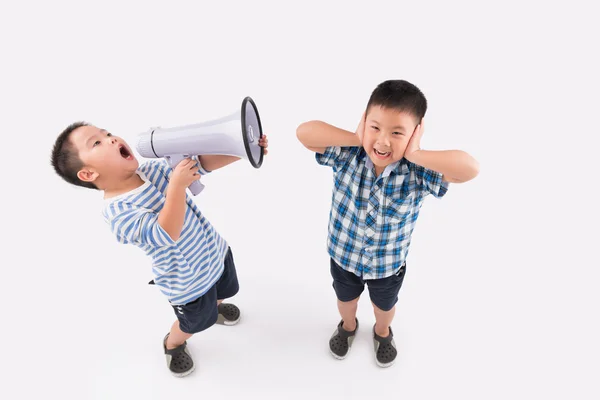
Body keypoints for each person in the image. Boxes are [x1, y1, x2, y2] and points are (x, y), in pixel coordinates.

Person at [50, 122, 268, 377]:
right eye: (96, 143)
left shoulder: (153, 170)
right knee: (194, 323)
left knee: (225, 290)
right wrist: (176, 185)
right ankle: (174, 343)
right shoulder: (118, 212)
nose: (110, 138)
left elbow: (201, 163)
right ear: (88, 174)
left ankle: (215, 306)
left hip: (214, 253)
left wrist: (243, 149)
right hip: (188, 283)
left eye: (107, 133)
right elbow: (165, 233)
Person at [296, 79, 479, 367]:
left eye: (397, 133)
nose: (382, 141)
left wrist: (416, 154)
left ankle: (382, 332)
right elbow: (304, 133)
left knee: (385, 306)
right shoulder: (348, 154)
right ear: (364, 121)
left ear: (415, 134)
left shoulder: (418, 172)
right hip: (343, 255)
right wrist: (356, 137)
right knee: (345, 299)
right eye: (375, 127)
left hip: (387, 264)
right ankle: (348, 326)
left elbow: (470, 168)